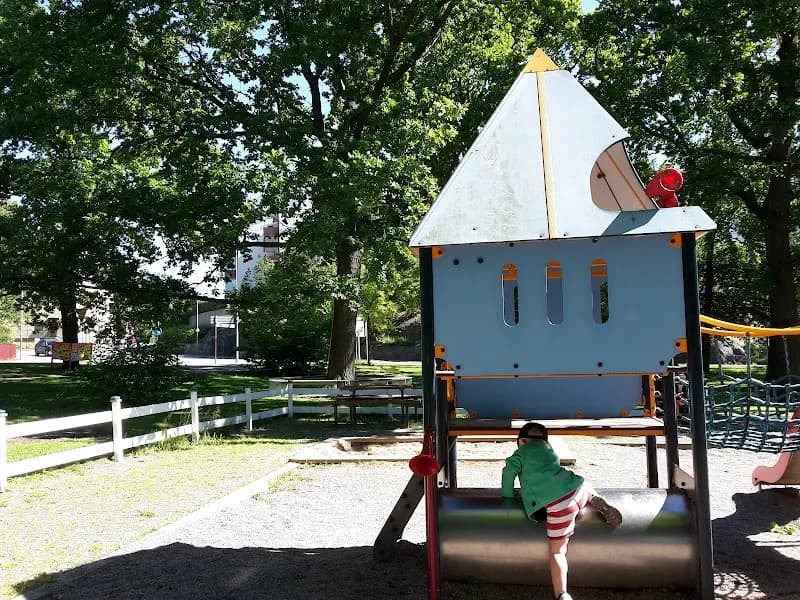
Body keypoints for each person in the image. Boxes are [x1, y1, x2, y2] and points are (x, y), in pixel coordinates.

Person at [501, 422, 622, 600]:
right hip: (576, 490)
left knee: (557, 552)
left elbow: (508, 473)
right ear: (544, 440)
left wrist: (509, 497)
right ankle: (595, 499)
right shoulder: (550, 451)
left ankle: (562, 593)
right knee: (584, 484)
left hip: (558, 505)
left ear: (522, 441)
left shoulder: (520, 454)